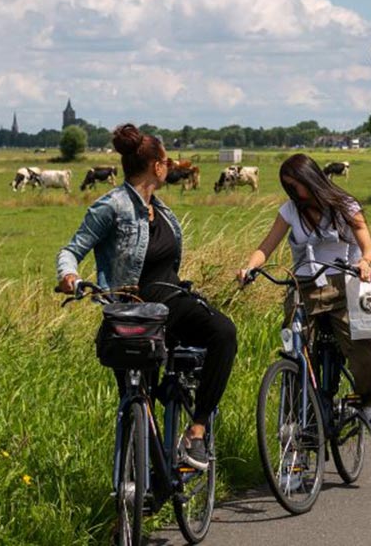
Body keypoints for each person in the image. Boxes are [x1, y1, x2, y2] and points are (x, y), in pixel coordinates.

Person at [57, 124, 238, 470]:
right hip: (131, 314)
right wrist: (70, 276)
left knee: (223, 333)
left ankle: (196, 432)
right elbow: (71, 249)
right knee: (135, 402)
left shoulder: (163, 209)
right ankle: (138, 494)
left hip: (172, 303)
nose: (169, 167)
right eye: (166, 161)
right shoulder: (111, 206)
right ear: (157, 167)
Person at [237, 154, 371, 438]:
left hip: (344, 286)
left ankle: (370, 403)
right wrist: (249, 267)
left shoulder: (345, 206)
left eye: (296, 184)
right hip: (303, 288)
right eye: (288, 186)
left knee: (364, 352)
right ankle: (296, 427)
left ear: (311, 178)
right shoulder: (290, 211)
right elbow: (266, 247)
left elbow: (368, 247)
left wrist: (365, 263)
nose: (294, 192)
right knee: (295, 354)